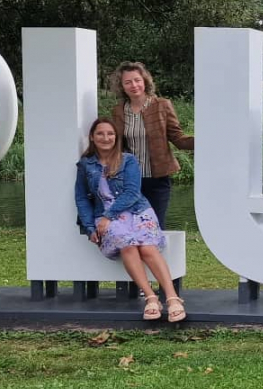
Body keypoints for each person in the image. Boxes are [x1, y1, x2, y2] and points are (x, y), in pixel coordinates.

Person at [75, 118, 184, 322]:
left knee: (147, 247)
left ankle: (172, 298)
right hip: (105, 216)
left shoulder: (128, 160)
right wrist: (89, 227)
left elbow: (132, 192)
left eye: (110, 134)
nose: (106, 138)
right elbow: (81, 198)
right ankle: (151, 298)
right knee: (128, 245)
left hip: (137, 211)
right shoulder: (85, 165)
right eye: (100, 133)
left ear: (117, 138)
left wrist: (108, 216)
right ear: (92, 137)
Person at [109, 61, 194, 230]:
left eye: (137, 80)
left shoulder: (162, 105)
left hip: (158, 179)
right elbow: (116, 145)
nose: (134, 85)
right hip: (130, 181)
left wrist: (208, 142)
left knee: (155, 227)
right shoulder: (118, 111)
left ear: (145, 81)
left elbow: (178, 138)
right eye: (128, 82)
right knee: (132, 228)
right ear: (122, 86)